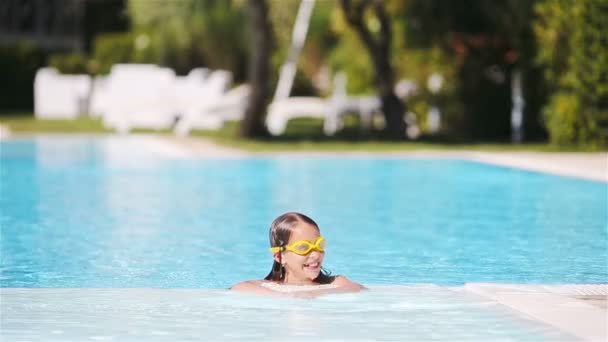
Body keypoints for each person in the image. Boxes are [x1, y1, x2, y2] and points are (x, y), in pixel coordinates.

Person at [231, 212, 365, 297]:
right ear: (279, 256)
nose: (315, 254)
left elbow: (357, 288)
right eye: (303, 247)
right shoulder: (270, 286)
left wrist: (315, 293)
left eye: (319, 245)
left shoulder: (335, 282)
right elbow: (239, 287)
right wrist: (287, 296)